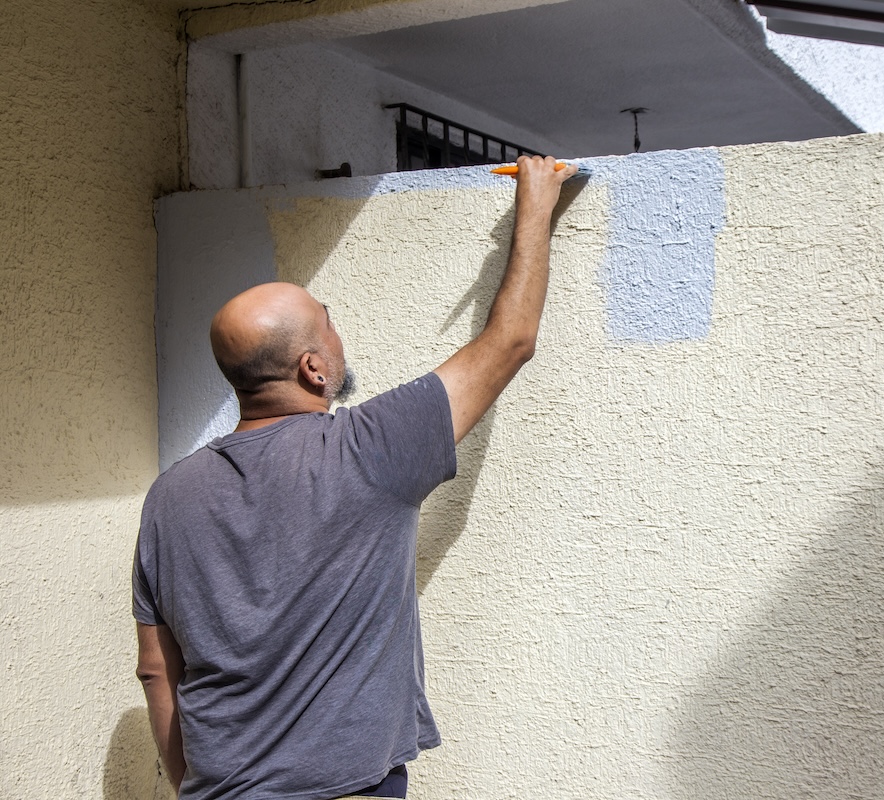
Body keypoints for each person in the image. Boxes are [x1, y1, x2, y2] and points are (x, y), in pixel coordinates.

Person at [132, 157, 578, 799]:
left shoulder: (167, 497)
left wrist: (199, 789)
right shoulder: (369, 448)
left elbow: (157, 671)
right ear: (314, 370)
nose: (342, 337)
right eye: (329, 320)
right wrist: (537, 206)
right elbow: (509, 341)